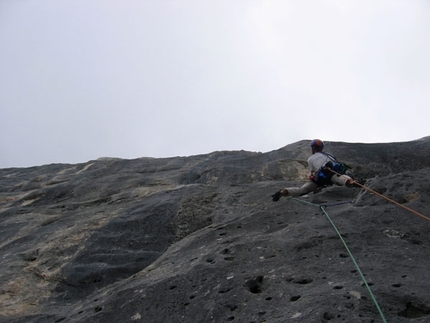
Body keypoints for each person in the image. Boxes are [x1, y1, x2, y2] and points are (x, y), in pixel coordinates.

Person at [272, 139, 355, 201]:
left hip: (321, 178)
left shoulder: (310, 159)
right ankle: (351, 182)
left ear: (313, 148)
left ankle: (284, 192)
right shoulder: (329, 155)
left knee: (303, 190)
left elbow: (312, 173)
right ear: (321, 148)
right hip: (331, 173)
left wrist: (312, 177)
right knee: (340, 178)